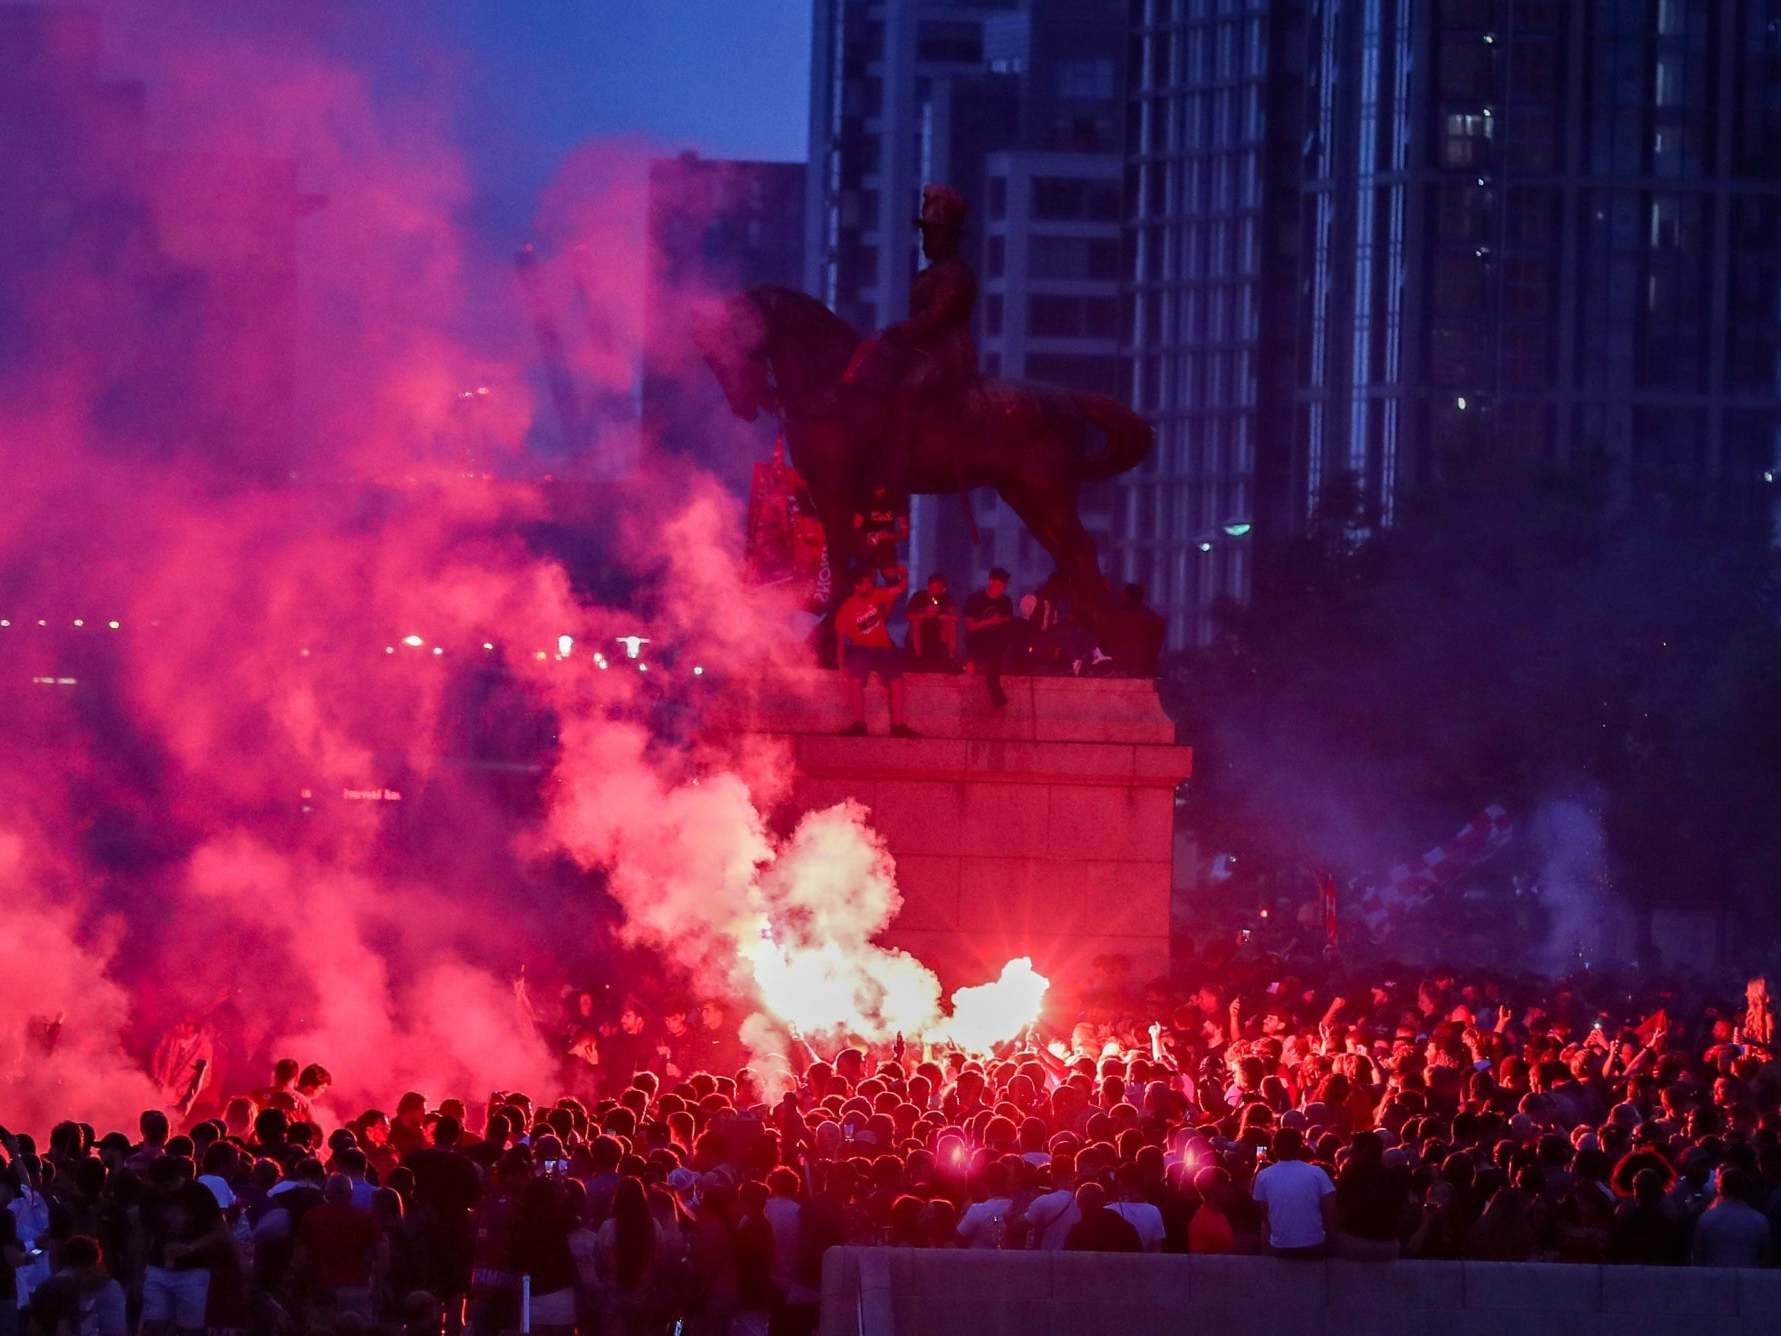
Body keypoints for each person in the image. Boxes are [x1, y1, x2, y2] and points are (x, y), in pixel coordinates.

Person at [855, 183, 979, 501]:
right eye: (926, 232)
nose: (927, 240)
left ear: (949, 236)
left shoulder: (956, 275)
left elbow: (936, 318)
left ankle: (897, 470)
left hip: (947, 354)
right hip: (922, 350)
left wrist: (900, 332)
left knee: (907, 390)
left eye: (933, 233)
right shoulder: (930, 275)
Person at [834, 567, 918, 738]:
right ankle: (859, 724)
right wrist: (840, 661)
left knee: (897, 680)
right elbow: (840, 637)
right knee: (855, 679)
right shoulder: (847, 607)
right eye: (865, 583)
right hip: (862, 649)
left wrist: (904, 575)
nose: (869, 585)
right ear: (856, 586)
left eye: (869, 582)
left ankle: (898, 725)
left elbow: (900, 588)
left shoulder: (876, 594)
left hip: (883, 648)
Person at [294, 1173, 383, 1322]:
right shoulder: (365, 1218)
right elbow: (381, 1254)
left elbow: (300, 1257)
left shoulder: (311, 1217)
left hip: (322, 1288)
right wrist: (377, 1285)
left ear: (327, 1193)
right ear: (350, 1194)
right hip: (356, 1288)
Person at [1250, 1128, 1335, 1258]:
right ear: (1300, 1148)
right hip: (1314, 1245)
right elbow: (1330, 1210)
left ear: (1274, 1148)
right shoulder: (1317, 1173)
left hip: (1280, 1247)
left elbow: (1265, 1215)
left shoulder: (1263, 1176)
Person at [20, 1234, 126, 1336]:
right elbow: (63, 1332)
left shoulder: (43, 1286)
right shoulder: (68, 1288)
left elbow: (32, 1329)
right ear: (88, 1265)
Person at [1690, 1169, 1771, 1267]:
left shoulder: (1707, 1219)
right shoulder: (1760, 1221)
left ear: (1721, 1189)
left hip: (1714, 1278)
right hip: (1749, 1279)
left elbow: (1698, 1257)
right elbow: (1764, 1258)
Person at [963, 568, 1018, 707]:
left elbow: (1008, 620)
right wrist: (988, 622)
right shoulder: (975, 599)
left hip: (997, 641)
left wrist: (1001, 621)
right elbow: (970, 626)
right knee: (991, 650)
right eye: (998, 585)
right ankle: (996, 694)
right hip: (977, 639)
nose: (1000, 589)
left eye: (1003, 586)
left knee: (1000, 644)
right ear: (990, 582)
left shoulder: (1005, 601)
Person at [1097, 583, 1167, 677]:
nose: (1120, 598)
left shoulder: (1115, 618)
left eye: (1123, 595)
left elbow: (1105, 642)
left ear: (1127, 596)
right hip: (1142, 670)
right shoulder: (1154, 619)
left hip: (1121, 669)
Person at [852, 485, 909, 577]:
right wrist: (868, 536)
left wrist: (889, 536)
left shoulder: (897, 500)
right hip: (866, 545)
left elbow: (905, 532)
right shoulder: (864, 499)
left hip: (887, 545)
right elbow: (855, 528)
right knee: (868, 577)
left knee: (890, 575)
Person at [904, 574, 958, 668]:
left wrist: (937, 615)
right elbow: (908, 616)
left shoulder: (946, 599)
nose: (934, 590)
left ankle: (951, 657)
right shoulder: (919, 596)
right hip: (920, 634)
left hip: (938, 635)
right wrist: (925, 614)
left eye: (937, 588)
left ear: (943, 589)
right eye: (932, 587)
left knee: (951, 624)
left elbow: (954, 618)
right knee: (916, 622)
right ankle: (918, 657)